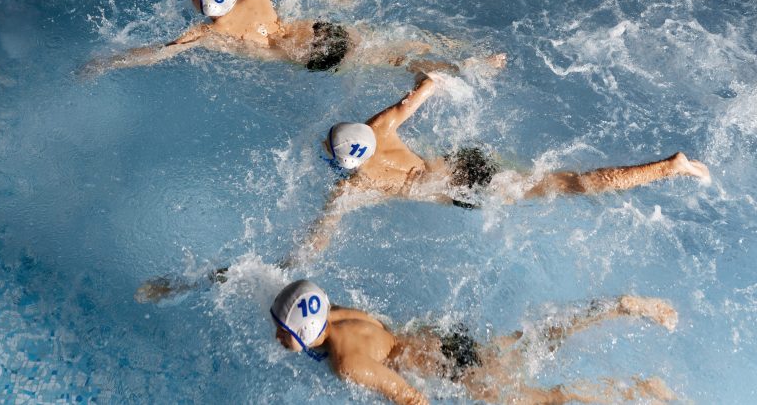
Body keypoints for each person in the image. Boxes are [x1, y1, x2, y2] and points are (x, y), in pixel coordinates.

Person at [289, 70, 710, 265]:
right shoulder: (379, 127)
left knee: (568, 184)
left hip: (467, 191)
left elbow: (321, 235)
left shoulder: (353, 187)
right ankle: (667, 167)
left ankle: (668, 167)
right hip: (466, 161)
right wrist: (469, 70)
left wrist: (291, 265)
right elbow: (427, 86)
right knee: (553, 177)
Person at [270, 279, 679, 405]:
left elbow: (413, 399)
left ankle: (641, 390)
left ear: (305, 332)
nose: (276, 336)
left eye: (283, 330)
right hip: (440, 341)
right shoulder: (336, 312)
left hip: (454, 369)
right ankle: (618, 306)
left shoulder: (347, 364)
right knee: (534, 342)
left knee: (544, 400)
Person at [81, 0, 475, 76]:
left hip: (305, 54)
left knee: (391, 61)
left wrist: (108, 62)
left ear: (206, 8)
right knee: (386, 39)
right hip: (317, 30)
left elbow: (159, 53)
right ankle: (455, 47)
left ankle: (456, 68)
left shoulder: (209, 32)